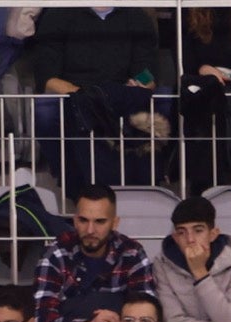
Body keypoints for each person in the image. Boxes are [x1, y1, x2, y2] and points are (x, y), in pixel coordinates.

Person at [25, 6, 162, 192]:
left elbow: (147, 72)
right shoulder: (58, 14)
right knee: (45, 112)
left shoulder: (137, 16)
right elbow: (47, 77)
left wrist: (140, 83)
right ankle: (70, 180)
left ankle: (144, 184)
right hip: (73, 95)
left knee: (162, 103)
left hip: (121, 95)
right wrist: (86, 98)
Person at [32, 185, 158, 322]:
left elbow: (149, 312)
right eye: (83, 220)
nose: (90, 230)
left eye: (100, 221)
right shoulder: (57, 253)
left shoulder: (131, 253)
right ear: (75, 221)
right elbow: (42, 319)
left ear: (114, 223)